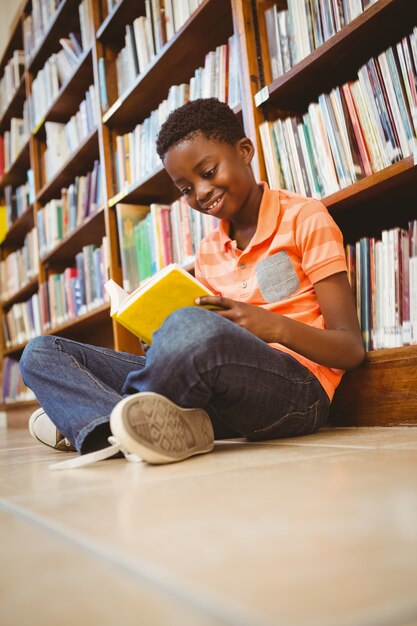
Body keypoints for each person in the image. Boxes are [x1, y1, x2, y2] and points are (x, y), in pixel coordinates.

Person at [20, 98, 365, 467]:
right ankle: (122, 428)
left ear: (244, 151)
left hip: (299, 392)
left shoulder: (304, 217)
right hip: (220, 397)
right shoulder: (208, 249)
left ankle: (99, 420)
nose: (200, 192)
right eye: (185, 189)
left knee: (191, 327)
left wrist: (273, 327)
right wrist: (161, 336)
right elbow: (208, 343)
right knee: (41, 352)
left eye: (209, 171)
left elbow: (350, 348)